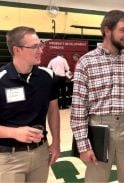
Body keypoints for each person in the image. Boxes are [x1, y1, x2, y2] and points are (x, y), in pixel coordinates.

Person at [70, 10, 124, 182]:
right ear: (107, 30)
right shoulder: (86, 63)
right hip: (98, 128)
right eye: (123, 30)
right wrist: (83, 145)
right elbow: (79, 109)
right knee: (96, 179)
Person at [0, 26, 60, 182]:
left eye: (40, 45)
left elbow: (53, 111)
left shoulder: (47, 76)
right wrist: (14, 133)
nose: (41, 50)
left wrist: (56, 143)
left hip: (40, 153)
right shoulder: (1, 80)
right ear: (17, 50)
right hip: (8, 158)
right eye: (34, 47)